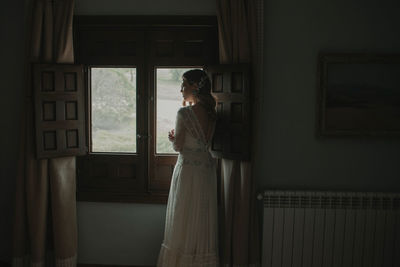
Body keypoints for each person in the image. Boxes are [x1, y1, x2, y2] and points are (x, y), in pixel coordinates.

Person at [157, 69, 219, 267]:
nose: (180, 90)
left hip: (188, 171)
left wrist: (173, 138)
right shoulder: (212, 114)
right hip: (206, 171)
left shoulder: (184, 113)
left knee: (183, 217)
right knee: (201, 218)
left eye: (183, 85)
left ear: (194, 87)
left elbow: (178, 147)